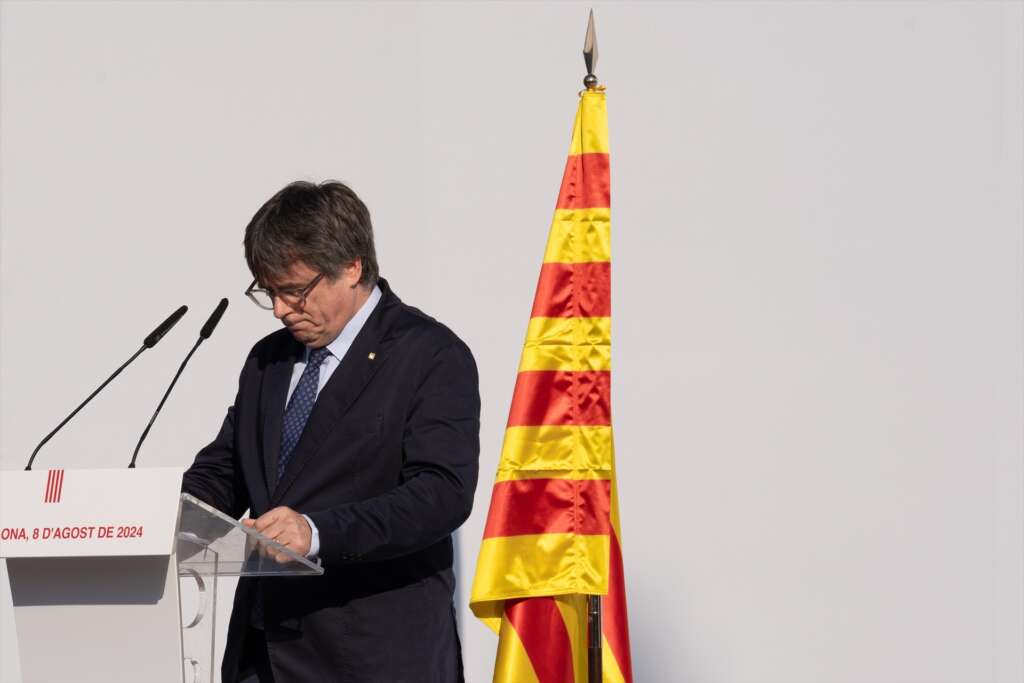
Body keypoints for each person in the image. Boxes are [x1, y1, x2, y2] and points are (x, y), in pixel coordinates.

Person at [182, 180, 480, 682]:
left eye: (294, 290)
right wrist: (159, 511)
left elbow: (441, 494)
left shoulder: (429, 354)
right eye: (268, 292)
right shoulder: (269, 360)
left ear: (352, 266)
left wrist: (317, 532)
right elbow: (230, 468)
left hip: (370, 655)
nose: (280, 309)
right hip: (264, 654)